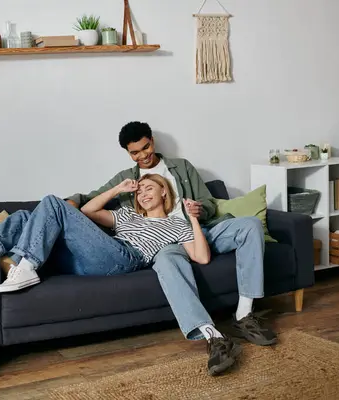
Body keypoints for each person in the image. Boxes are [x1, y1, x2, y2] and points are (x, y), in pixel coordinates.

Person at [64, 121, 277, 375]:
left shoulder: (182, 167)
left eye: (146, 147)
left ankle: (244, 316)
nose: (143, 155)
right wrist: (71, 202)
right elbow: (91, 200)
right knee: (165, 259)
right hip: (167, 242)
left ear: (152, 140)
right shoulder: (126, 179)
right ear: (128, 153)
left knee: (250, 225)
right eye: (135, 152)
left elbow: (207, 201)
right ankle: (212, 337)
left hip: (200, 229)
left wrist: (200, 210)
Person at [0, 173, 208, 292]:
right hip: (93, 258)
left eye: (150, 188)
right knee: (23, 216)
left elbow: (202, 258)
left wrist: (193, 219)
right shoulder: (127, 214)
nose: (144, 194)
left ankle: (25, 265)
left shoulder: (176, 225)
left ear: (164, 191)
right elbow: (87, 213)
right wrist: (117, 190)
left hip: (125, 258)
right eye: (140, 190)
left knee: (53, 203)